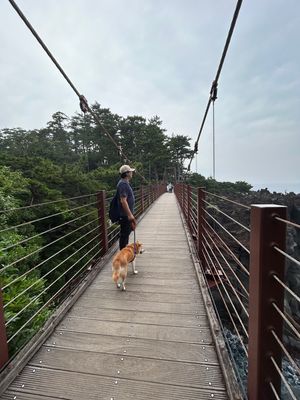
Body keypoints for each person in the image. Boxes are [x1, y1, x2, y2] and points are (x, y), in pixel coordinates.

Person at [117, 164, 136, 249]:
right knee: (124, 235)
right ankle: (122, 255)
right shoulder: (123, 184)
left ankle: (125, 255)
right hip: (125, 215)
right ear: (127, 173)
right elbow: (123, 200)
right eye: (131, 172)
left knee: (126, 234)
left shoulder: (125, 183)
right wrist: (130, 215)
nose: (132, 173)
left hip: (125, 215)